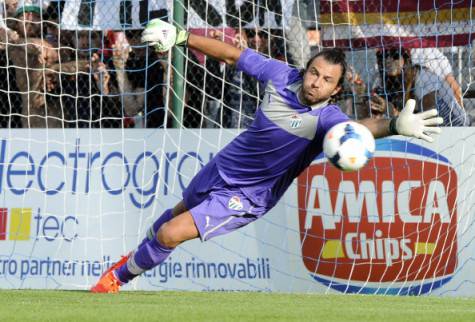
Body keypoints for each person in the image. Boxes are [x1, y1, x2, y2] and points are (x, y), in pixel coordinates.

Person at [90, 19, 443, 293]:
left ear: (336, 90)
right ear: (305, 70)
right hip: (223, 166)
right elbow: (231, 54)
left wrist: (395, 123)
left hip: (247, 195)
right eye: (314, 72)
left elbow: (358, 129)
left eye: (327, 80)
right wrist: (182, 36)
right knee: (177, 212)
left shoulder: (329, 121)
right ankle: (133, 262)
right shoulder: (279, 75)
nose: (316, 82)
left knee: (168, 234)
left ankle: (114, 281)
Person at [376, 47, 469, 126]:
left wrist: (393, 112)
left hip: (456, 128)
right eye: (382, 56)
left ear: (405, 58)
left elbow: (428, 121)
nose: (388, 60)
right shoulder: (397, 82)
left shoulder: (423, 78)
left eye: (394, 55)